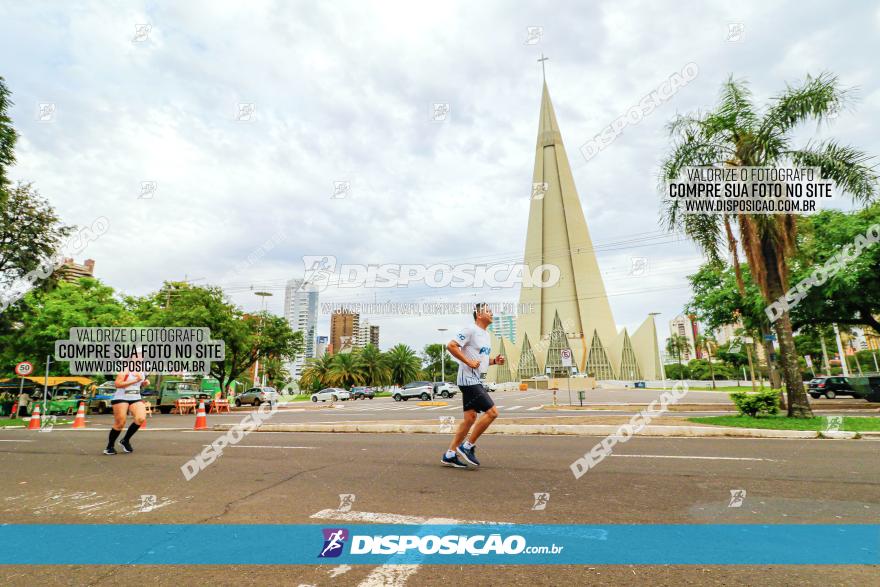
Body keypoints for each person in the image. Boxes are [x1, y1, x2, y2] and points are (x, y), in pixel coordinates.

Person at [441, 302, 505, 468]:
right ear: (479, 314)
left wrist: (494, 361)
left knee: (469, 419)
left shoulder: (486, 335)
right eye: (488, 311)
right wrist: (468, 362)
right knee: (492, 413)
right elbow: (451, 346)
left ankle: (450, 454)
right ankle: (467, 446)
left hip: (476, 380)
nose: (492, 313)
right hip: (468, 380)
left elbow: (481, 360)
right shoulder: (470, 329)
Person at [105, 352, 149, 455]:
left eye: (141, 356)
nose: (139, 358)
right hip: (121, 397)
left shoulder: (142, 370)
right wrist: (135, 380)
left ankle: (125, 440)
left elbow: (139, 384)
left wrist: (144, 383)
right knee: (120, 423)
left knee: (141, 418)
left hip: (135, 397)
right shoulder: (125, 369)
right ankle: (109, 446)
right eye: (137, 356)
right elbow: (117, 384)